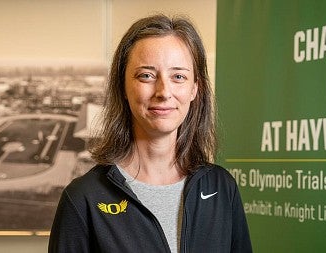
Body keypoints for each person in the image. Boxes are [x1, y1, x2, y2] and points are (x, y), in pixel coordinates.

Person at [49, 14, 252, 253]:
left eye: (178, 76)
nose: (164, 91)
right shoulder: (84, 198)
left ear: (195, 89)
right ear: (123, 86)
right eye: (146, 75)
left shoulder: (221, 187)